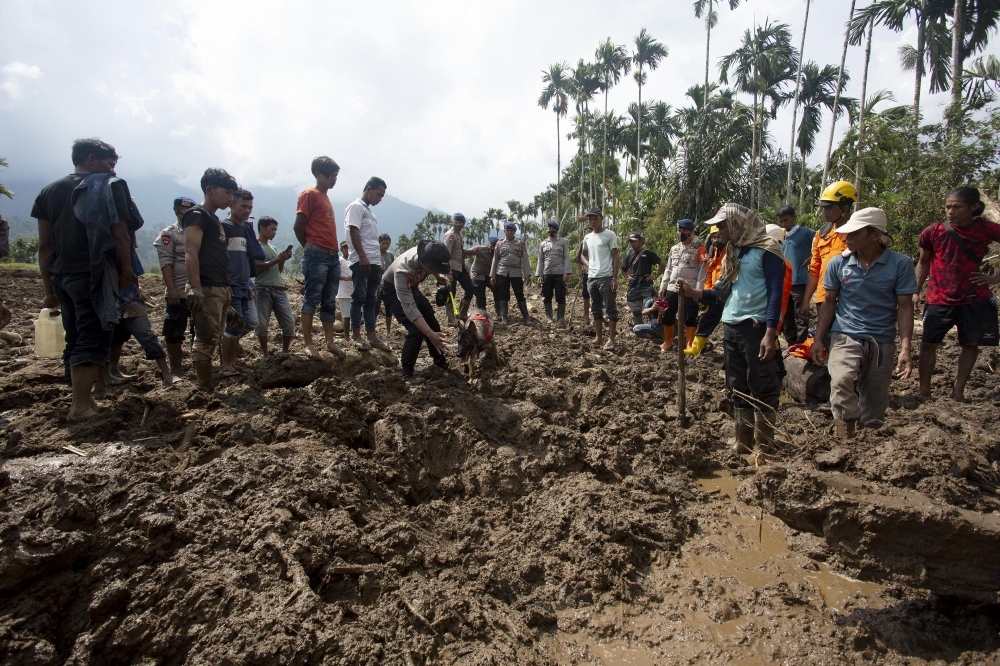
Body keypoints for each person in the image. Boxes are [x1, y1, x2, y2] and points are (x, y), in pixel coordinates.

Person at [33, 138, 136, 420]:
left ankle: (85, 400)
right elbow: (120, 233)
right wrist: (126, 271)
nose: (113, 170)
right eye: (110, 163)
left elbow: (44, 245)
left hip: (61, 276)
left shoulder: (48, 191)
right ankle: (80, 406)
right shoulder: (107, 187)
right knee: (93, 335)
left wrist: (48, 288)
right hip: (93, 273)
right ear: (92, 159)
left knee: (75, 335)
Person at [675, 204, 787, 454]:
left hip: (756, 326)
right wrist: (694, 292)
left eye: (723, 225)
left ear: (738, 224)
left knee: (762, 384)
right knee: (737, 384)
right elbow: (722, 292)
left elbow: (776, 294)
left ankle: (765, 446)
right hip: (732, 325)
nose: (718, 230)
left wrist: (771, 333)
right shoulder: (733, 252)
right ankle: (743, 442)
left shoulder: (768, 251)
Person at [811, 208, 916, 438]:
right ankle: (844, 435)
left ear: (875, 235)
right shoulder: (838, 264)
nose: (846, 238)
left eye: (854, 234)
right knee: (840, 381)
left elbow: (905, 307)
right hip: (845, 334)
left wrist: (906, 347)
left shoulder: (900, 264)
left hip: (881, 339)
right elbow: (828, 304)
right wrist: (818, 339)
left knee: (876, 399)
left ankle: (870, 443)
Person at [915, 187, 1000, 401]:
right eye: (947, 206)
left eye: (956, 207)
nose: (950, 211)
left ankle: (958, 391)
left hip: (974, 297)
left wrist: (996, 278)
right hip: (939, 297)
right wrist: (915, 291)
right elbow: (923, 263)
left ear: (974, 207)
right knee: (928, 343)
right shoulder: (933, 232)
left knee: (970, 344)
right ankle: (923, 390)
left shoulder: (985, 228)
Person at [183, 168, 238, 391]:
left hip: (220, 285)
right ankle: (204, 388)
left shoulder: (214, 220)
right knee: (206, 338)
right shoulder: (197, 215)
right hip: (207, 285)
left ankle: (207, 386)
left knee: (215, 336)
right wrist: (196, 288)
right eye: (226, 192)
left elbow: (218, 256)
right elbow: (191, 252)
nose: (230, 198)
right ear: (209, 190)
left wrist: (226, 285)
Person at [294, 156, 345, 360]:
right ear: (318, 174)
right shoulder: (310, 194)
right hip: (317, 254)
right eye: (331, 175)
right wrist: (308, 247)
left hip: (332, 256)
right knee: (312, 298)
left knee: (329, 300)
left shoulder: (326, 197)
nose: (334, 179)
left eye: (336, 175)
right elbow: (299, 226)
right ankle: (308, 343)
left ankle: (330, 342)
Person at [382, 240, 453, 383]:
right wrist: (428, 334)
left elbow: (430, 266)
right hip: (392, 290)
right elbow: (410, 309)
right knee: (416, 330)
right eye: (434, 268)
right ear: (425, 262)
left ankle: (439, 362)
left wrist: (437, 275)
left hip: (412, 287)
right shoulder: (403, 270)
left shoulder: (427, 252)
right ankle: (407, 372)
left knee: (432, 323)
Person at [345, 177, 391, 351]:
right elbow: (353, 231)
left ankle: (371, 335)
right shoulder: (356, 207)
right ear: (369, 189)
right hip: (361, 261)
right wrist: (362, 256)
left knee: (371, 299)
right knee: (359, 297)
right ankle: (356, 335)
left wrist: (377, 262)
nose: (379, 199)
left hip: (374, 261)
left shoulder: (371, 213)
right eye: (378, 194)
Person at [801, 180, 856, 318]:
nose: (825, 212)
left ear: (845, 207)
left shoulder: (859, 232)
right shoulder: (822, 234)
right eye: (824, 208)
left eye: (830, 208)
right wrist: (806, 300)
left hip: (850, 299)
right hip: (824, 298)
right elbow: (815, 269)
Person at [219, 189, 259, 376]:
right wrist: (225, 283)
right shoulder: (224, 227)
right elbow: (219, 259)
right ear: (231, 204)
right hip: (231, 284)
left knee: (248, 322)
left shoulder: (244, 229)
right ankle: (226, 363)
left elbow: (246, 259)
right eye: (243, 206)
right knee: (234, 325)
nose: (247, 210)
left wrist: (248, 282)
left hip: (244, 283)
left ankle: (233, 359)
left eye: (250, 207)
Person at [154, 196, 195, 376]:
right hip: (178, 290)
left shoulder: (197, 232)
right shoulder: (169, 234)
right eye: (185, 212)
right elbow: (166, 263)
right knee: (174, 331)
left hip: (196, 290)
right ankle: (176, 368)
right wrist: (171, 289)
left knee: (201, 329)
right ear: (177, 212)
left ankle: (198, 363)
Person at [657, 219, 708, 352]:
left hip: (690, 288)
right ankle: (667, 342)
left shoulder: (700, 247)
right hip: (672, 287)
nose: (681, 233)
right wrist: (663, 286)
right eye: (679, 231)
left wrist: (698, 290)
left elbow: (703, 269)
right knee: (666, 312)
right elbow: (668, 268)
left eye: (684, 231)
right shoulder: (674, 248)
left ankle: (689, 344)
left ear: (691, 232)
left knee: (690, 315)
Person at [254, 216, 295, 355]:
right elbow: (257, 267)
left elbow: (278, 271)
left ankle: (285, 352)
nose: (274, 232)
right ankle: (265, 354)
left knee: (289, 323)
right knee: (262, 325)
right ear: (262, 228)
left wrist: (281, 260)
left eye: (276, 230)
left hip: (279, 289)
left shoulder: (272, 247)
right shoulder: (255, 246)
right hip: (262, 289)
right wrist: (277, 259)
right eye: (272, 229)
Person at [580, 207, 620, 348]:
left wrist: (614, 278)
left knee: (610, 308)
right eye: (590, 219)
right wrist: (587, 264)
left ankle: (611, 340)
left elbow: (615, 256)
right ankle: (598, 338)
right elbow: (583, 254)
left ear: (601, 218)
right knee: (595, 308)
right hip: (592, 278)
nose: (592, 221)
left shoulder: (610, 235)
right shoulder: (587, 237)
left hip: (606, 276)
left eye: (595, 218)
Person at [684, 225, 726, 356]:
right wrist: (706, 291)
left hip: (727, 291)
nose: (715, 240)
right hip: (714, 292)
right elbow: (708, 272)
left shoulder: (730, 252)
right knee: (706, 315)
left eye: (719, 236)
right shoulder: (713, 250)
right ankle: (695, 347)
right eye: (713, 237)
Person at [777, 205, 815, 347]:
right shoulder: (780, 235)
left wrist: (811, 257)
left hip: (800, 280)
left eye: (786, 220)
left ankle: (801, 342)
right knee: (786, 313)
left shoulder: (806, 233)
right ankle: (791, 342)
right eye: (781, 221)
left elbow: (819, 243)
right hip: (784, 281)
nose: (784, 224)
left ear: (794, 217)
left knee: (801, 313)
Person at [490, 221, 532, 326]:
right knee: (503, 295)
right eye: (507, 230)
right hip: (502, 272)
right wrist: (492, 275)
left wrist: (527, 274)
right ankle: (504, 318)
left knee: (519, 294)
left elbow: (525, 259)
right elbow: (495, 260)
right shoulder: (499, 243)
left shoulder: (520, 243)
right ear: (504, 231)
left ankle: (526, 317)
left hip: (516, 272)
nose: (509, 233)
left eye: (511, 231)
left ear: (514, 232)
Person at [622, 231, 664, 325]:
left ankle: (655, 327)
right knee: (636, 312)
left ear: (640, 241)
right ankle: (640, 331)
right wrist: (627, 277)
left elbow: (661, 263)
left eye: (634, 241)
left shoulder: (648, 253)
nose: (632, 243)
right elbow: (623, 269)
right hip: (633, 287)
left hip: (646, 286)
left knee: (650, 308)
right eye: (631, 242)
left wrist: (655, 276)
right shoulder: (629, 255)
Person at [535, 220, 572, 325]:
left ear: (556, 230)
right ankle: (549, 317)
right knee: (547, 295)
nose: (550, 230)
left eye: (552, 229)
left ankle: (560, 318)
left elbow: (566, 258)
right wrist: (539, 275)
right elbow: (540, 260)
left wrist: (566, 273)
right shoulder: (543, 244)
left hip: (559, 273)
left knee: (560, 295)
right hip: (547, 273)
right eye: (549, 229)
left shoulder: (563, 242)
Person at [444, 213, 475, 326]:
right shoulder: (450, 235)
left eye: (460, 223)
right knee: (450, 293)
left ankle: (462, 313)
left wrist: (469, 252)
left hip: (460, 266)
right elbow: (446, 254)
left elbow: (458, 250)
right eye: (456, 222)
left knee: (470, 288)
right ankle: (451, 319)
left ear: (463, 224)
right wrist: (448, 272)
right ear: (453, 222)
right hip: (452, 267)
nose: (458, 224)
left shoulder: (459, 234)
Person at [468, 236, 498, 311]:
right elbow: (466, 252)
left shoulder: (497, 253)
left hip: (489, 275)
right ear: (488, 245)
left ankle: (499, 309)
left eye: (494, 247)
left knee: (497, 289)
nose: (492, 249)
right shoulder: (480, 249)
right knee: (480, 294)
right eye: (491, 246)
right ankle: (482, 312)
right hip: (477, 274)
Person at [378, 233, 395, 336]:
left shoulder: (390, 255)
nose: (385, 245)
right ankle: (372, 332)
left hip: (388, 285)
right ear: (379, 243)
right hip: (377, 285)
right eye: (383, 243)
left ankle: (388, 331)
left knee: (388, 308)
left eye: (387, 243)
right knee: (375, 307)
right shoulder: (375, 254)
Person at [337, 241, 354, 342]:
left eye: (349, 247)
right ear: (341, 250)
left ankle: (354, 334)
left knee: (357, 314)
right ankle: (347, 337)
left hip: (354, 291)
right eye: (345, 248)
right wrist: (346, 278)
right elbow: (334, 275)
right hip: (344, 292)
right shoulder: (339, 261)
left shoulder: (354, 260)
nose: (347, 250)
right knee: (346, 316)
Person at [574, 236, 592, 327]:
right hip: (587, 273)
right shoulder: (584, 241)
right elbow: (578, 257)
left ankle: (600, 318)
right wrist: (580, 269)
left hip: (601, 274)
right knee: (586, 296)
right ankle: (586, 318)